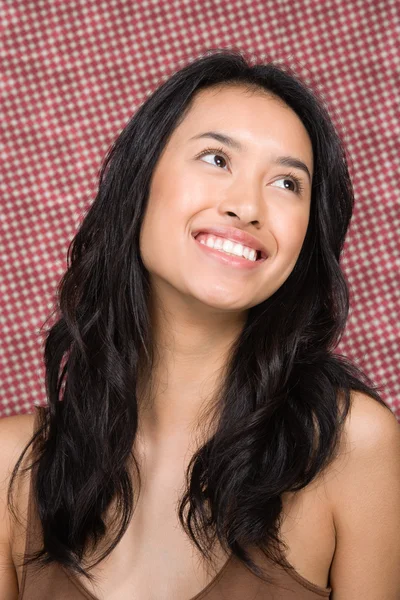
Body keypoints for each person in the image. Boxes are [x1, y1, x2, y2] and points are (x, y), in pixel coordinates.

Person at [1, 50, 399, 600]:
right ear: (139, 185)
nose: (247, 206)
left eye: (287, 183)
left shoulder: (353, 448)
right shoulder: (11, 471)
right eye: (216, 158)